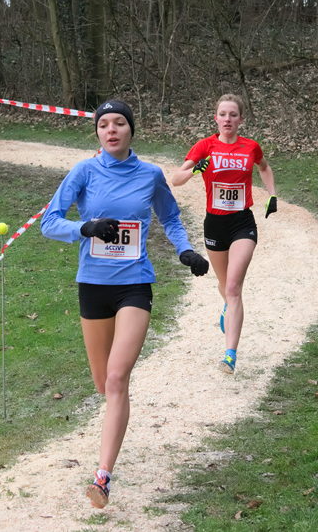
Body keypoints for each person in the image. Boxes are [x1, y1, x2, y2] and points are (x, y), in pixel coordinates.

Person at [40, 99, 209, 509]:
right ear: (96, 133)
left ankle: (102, 477)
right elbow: (50, 220)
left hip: (135, 284)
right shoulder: (84, 171)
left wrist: (185, 250)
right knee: (104, 385)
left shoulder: (150, 175)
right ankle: (115, 428)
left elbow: (170, 218)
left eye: (119, 123)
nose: (111, 130)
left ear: (132, 130)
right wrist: (86, 227)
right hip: (92, 285)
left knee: (117, 379)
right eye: (104, 125)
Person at [172, 93, 277, 375]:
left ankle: (230, 355)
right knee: (224, 286)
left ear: (241, 119)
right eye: (223, 114)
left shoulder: (250, 147)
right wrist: (196, 169)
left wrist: (272, 195)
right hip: (214, 224)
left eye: (233, 114)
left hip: (242, 223)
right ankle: (228, 309)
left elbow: (264, 167)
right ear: (216, 118)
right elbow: (175, 179)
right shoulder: (204, 146)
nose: (228, 119)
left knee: (233, 287)